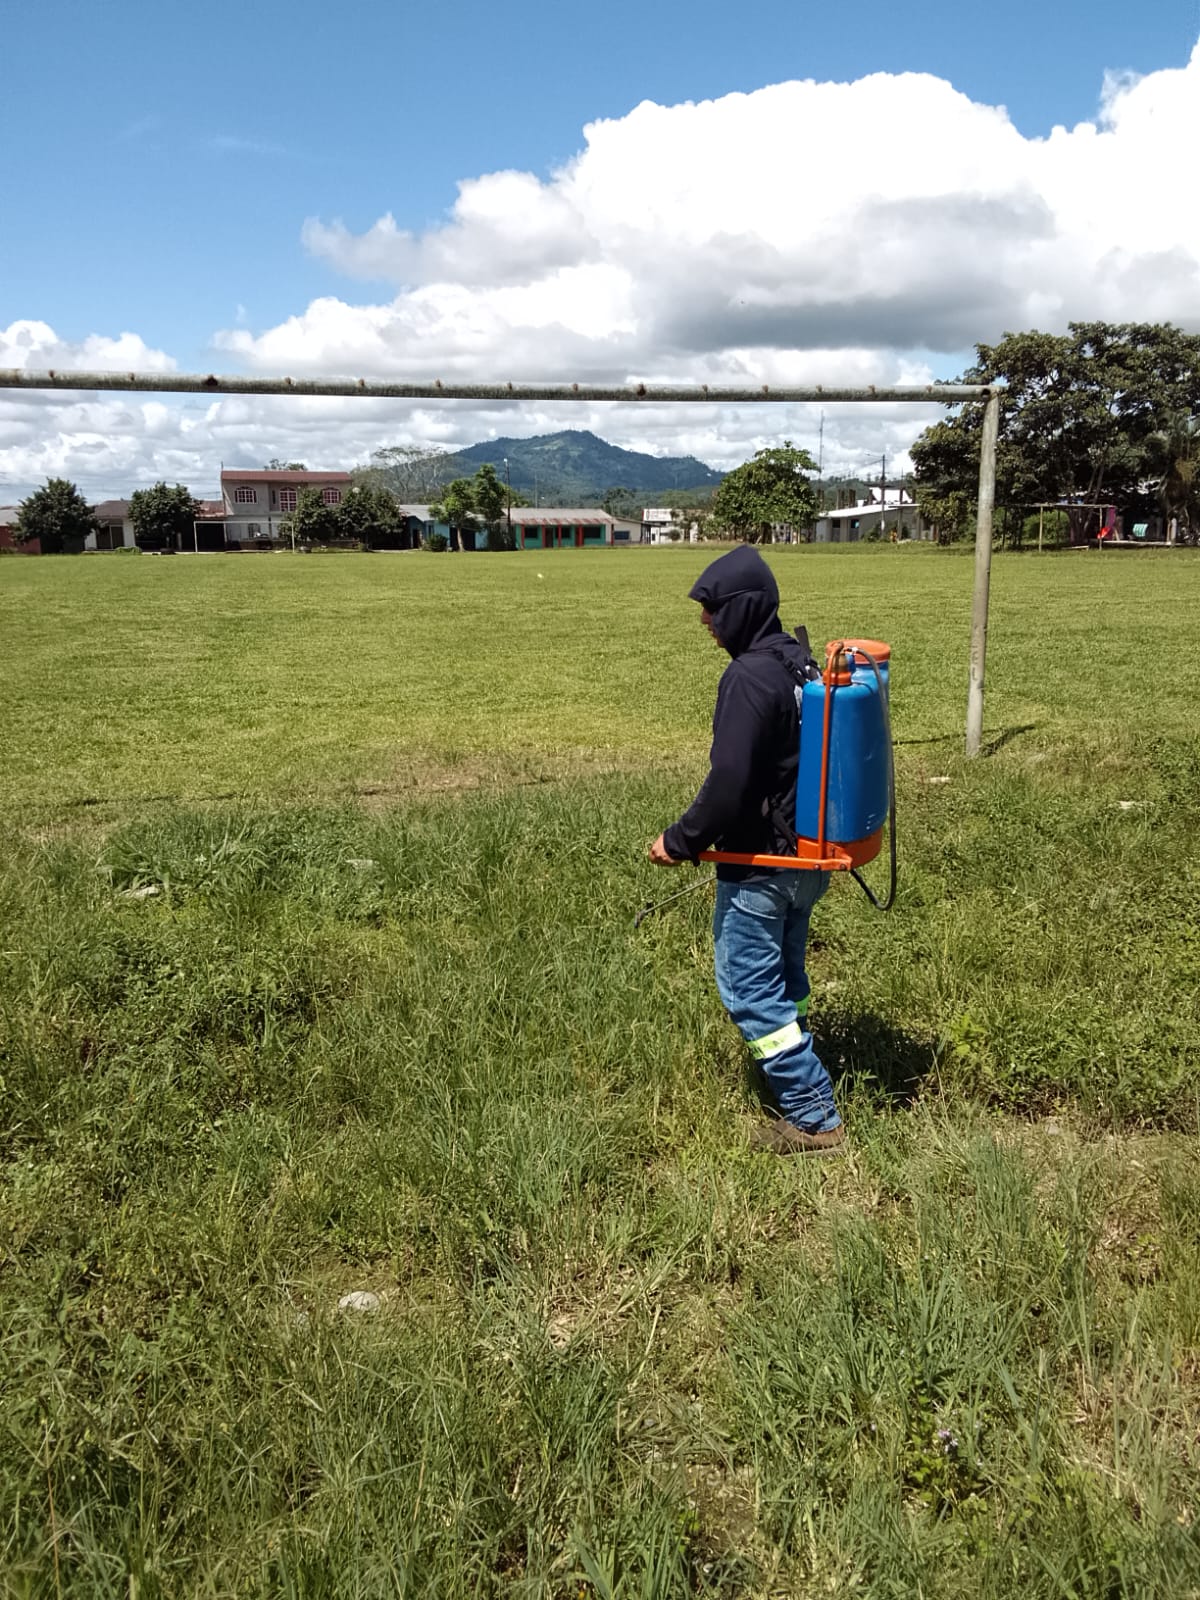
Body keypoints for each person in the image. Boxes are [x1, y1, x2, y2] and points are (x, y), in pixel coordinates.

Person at [649, 545, 845, 1156]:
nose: (704, 620)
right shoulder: (798, 662)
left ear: (743, 608)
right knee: (786, 975)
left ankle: (814, 1115)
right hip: (807, 857)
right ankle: (797, 1046)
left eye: (712, 608)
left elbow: (729, 783)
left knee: (748, 988)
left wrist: (679, 841)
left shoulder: (746, 678)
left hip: (761, 865)